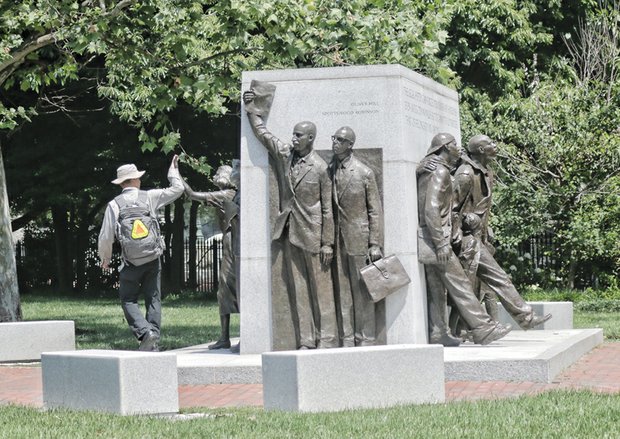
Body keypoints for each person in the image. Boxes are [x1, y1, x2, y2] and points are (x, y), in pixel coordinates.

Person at [243, 88, 338, 349]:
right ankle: (306, 340)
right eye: (293, 134)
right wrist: (252, 110)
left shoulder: (320, 168)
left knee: (321, 289)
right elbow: (264, 135)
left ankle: (328, 339)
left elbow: (328, 208)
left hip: (315, 235)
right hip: (290, 231)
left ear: (310, 138)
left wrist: (327, 242)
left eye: (299, 135)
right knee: (299, 289)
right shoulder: (285, 155)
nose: (293, 138)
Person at [417, 133, 511, 346]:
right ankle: (483, 328)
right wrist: (441, 242)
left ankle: (438, 332)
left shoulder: (432, 171)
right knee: (460, 284)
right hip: (436, 241)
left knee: (437, 290)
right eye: (453, 145)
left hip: (429, 239)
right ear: (444, 148)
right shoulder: (439, 172)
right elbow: (431, 208)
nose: (458, 148)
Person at [452, 135, 551, 330]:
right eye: (489, 143)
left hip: (479, 237)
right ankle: (525, 318)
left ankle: (460, 330)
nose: (495, 145)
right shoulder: (466, 173)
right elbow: (451, 208)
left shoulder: (486, 173)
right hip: (466, 238)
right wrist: (460, 230)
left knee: (470, 286)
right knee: (496, 278)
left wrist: (486, 231)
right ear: (480, 150)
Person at [98, 155, 184, 351]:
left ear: (121, 184)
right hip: (153, 257)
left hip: (130, 262)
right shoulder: (149, 197)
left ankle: (146, 334)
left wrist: (106, 258)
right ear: (135, 180)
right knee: (153, 298)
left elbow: (106, 236)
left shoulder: (114, 205)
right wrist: (173, 171)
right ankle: (153, 341)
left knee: (128, 299)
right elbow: (177, 190)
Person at [329, 126, 383, 347]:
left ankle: (366, 337)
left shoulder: (364, 172)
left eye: (340, 140)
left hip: (359, 238)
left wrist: (375, 243)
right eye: (334, 138)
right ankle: (347, 337)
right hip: (335, 239)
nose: (335, 143)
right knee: (342, 291)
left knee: (362, 291)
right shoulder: (329, 170)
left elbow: (375, 210)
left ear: (350, 145)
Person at [183, 164, 239, 350]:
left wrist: (177, 178)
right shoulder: (225, 195)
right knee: (224, 290)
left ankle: (233, 337)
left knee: (233, 288)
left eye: (218, 172)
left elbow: (192, 194)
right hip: (230, 242)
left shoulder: (227, 194)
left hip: (234, 244)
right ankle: (224, 337)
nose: (215, 176)